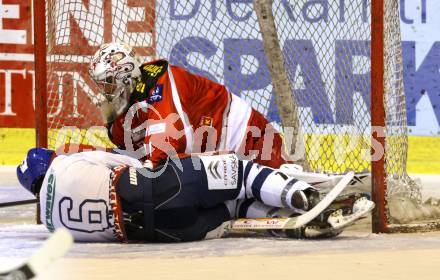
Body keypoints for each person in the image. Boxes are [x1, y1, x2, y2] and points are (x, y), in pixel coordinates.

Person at [16, 148, 372, 243]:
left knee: (234, 208)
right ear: (49, 160)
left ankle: (294, 221)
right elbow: (129, 163)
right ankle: (304, 196)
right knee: (239, 171)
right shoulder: (68, 163)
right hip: (161, 187)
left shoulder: (53, 225)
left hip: (168, 233)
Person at [88, 42, 289, 169]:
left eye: (108, 83)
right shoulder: (133, 98)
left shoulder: (161, 79)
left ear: (125, 76)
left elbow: (167, 142)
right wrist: (111, 119)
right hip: (220, 157)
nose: (106, 91)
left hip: (248, 135)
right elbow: (127, 143)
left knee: (286, 181)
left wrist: (149, 167)